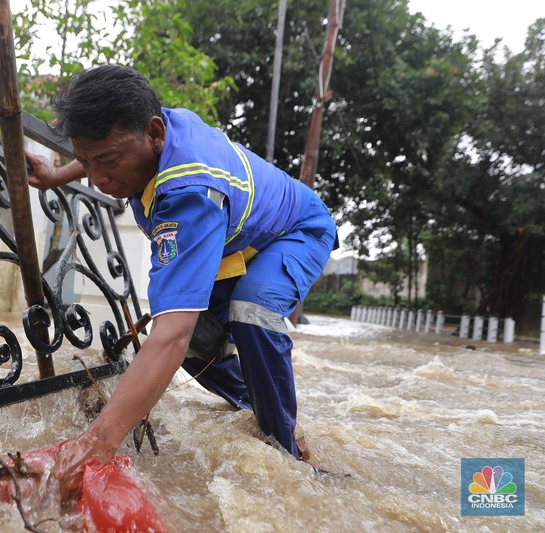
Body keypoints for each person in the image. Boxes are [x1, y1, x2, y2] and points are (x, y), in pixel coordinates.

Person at [25, 64, 338, 499]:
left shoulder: (189, 193)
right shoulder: (149, 128)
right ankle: (254, 402)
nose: (98, 179)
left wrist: (96, 444)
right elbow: (105, 150)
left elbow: (170, 336)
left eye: (109, 163)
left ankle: (285, 451)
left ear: (154, 134)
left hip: (295, 230)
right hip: (237, 239)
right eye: (87, 161)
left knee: (250, 311)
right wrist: (58, 175)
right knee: (197, 343)